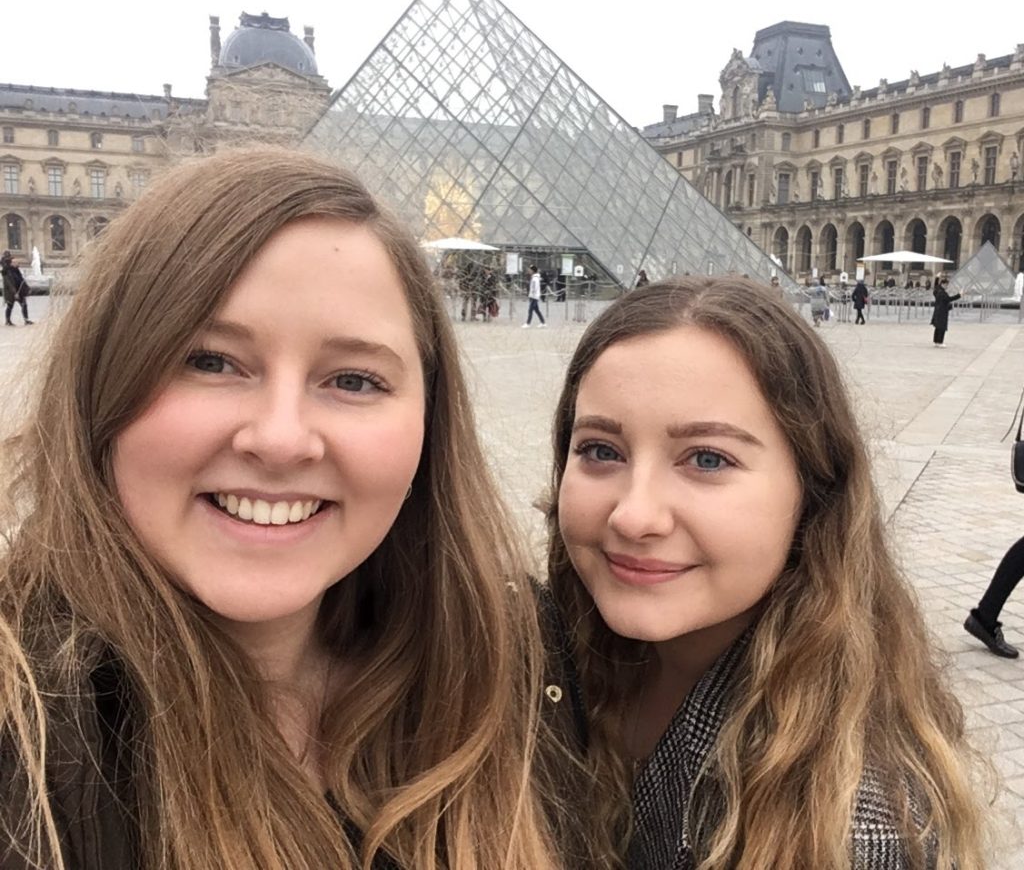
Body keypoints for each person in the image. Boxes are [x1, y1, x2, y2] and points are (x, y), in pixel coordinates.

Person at [0, 149, 563, 870]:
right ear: (99, 384)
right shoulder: (28, 741)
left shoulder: (521, 662)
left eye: (354, 379)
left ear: (433, 419)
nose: (280, 439)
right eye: (210, 361)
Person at [545, 278, 988, 869]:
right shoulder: (539, 652)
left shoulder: (857, 831)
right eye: (601, 450)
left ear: (813, 492)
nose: (634, 515)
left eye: (708, 459)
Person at [0, 251, 33, 326]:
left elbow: (21, 280)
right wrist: (15, 293)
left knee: (24, 304)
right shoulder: (6, 271)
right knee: (10, 306)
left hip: (19, 291)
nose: (18, 264)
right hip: (12, 292)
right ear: (11, 263)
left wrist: (27, 288)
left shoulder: (16, 270)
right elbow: (9, 283)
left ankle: (26, 320)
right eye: (15, 262)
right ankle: (8, 321)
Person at [931, 278, 962, 346]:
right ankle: (940, 342)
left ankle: (936, 341)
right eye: (946, 285)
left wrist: (937, 278)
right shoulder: (942, 293)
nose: (947, 286)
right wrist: (959, 295)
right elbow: (949, 299)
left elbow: (936, 286)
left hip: (938, 311)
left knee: (937, 327)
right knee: (942, 327)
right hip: (942, 312)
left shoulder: (937, 291)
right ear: (943, 284)